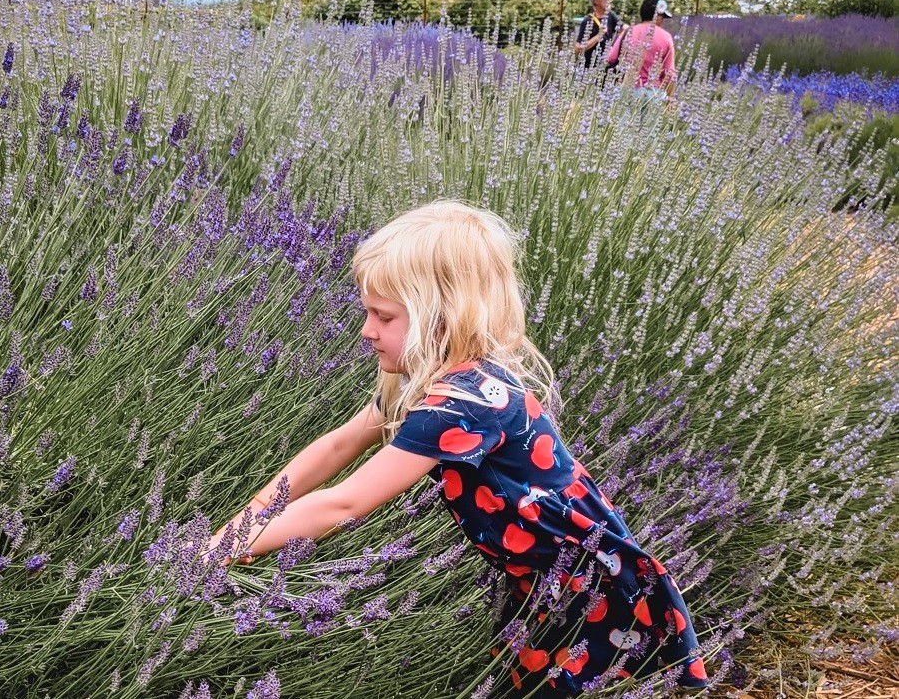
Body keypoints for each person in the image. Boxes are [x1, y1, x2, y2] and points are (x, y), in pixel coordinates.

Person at [210, 201, 708, 696]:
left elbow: (347, 502)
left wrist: (229, 547)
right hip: (536, 576)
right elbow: (341, 444)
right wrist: (251, 517)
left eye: (383, 316)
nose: (366, 330)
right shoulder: (432, 380)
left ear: (440, 320)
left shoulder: (464, 403)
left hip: (586, 584)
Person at [606, 0, 677, 101]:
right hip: (653, 94)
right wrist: (670, 98)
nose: (662, 21)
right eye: (662, 17)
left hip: (626, 90)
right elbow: (669, 74)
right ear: (656, 16)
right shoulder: (666, 37)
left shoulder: (628, 32)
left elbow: (610, 58)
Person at [574, 0, 624, 68]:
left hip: (606, 68)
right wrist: (598, 36)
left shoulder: (610, 15)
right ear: (596, 0)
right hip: (589, 70)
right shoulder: (588, 21)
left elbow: (625, 29)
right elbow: (578, 48)